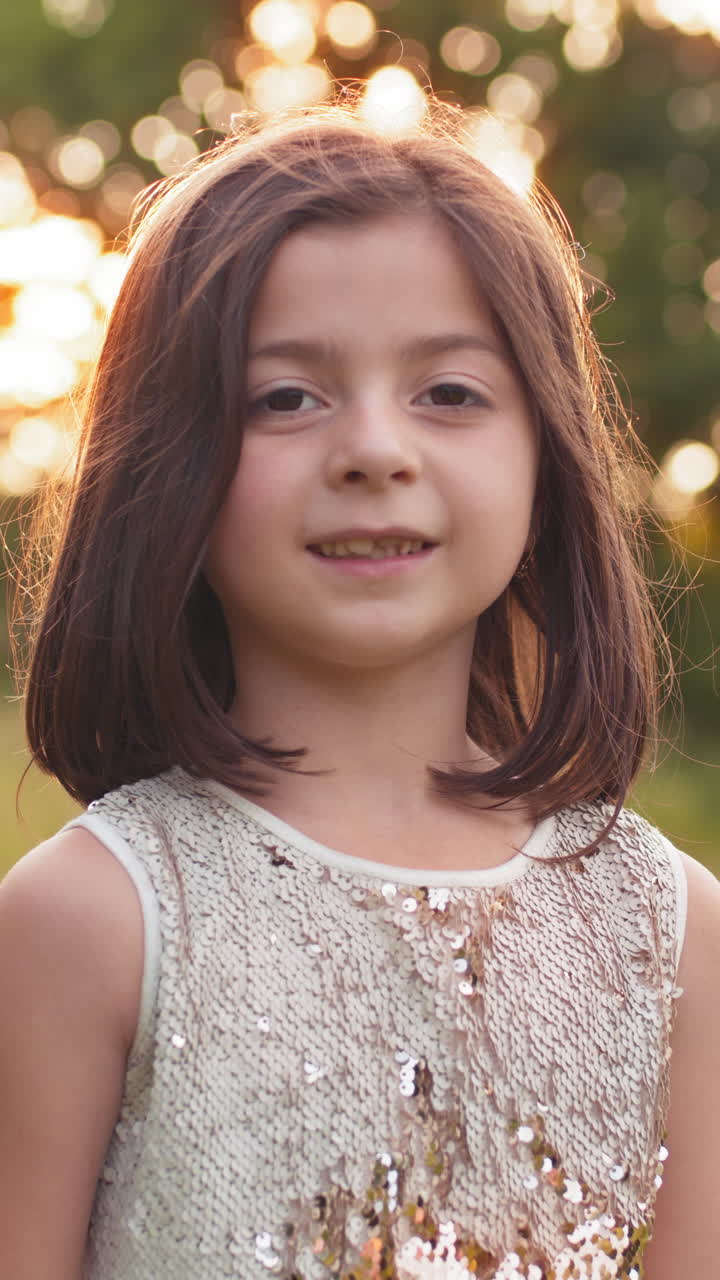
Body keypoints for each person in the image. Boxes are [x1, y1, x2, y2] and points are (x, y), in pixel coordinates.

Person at [1, 98, 718, 1280]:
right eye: (286, 396)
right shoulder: (98, 917)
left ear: (546, 455)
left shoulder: (669, 929)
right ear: (165, 458)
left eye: (450, 392)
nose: (376, 448)